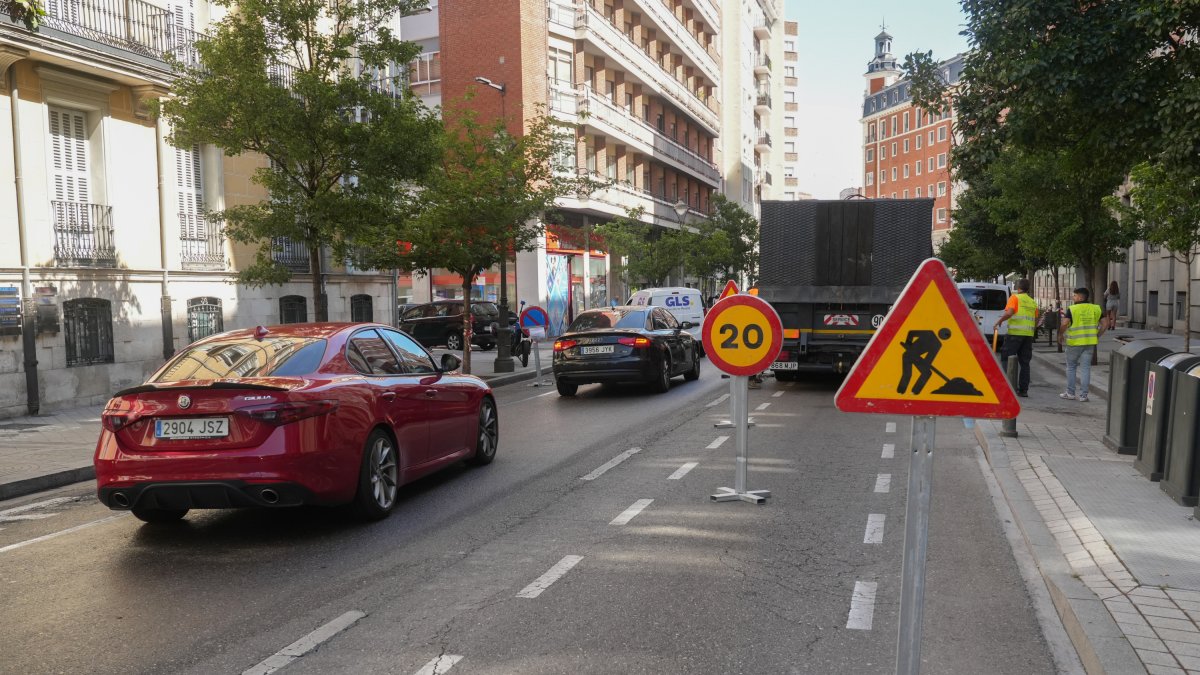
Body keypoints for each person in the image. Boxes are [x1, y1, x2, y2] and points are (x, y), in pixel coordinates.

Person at [1059, 287, 1105, 402]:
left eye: (1074, 295)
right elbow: (1105, 324)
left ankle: (1070, 393)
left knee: (1071, 367)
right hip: (1089, 343)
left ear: (1079, 297)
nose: (1073, 297)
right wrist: (1098, 335)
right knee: (1085, 368)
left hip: (1074, 343)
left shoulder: (1072, 309)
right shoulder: (1096, 308)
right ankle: (1084, 395)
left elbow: (1064, 324)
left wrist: (1060, 334)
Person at [994, 279, 1038, 397]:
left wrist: (999, 321)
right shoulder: (1032, 302)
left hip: (1014, 334)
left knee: (1006, 358)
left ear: (1018, 288)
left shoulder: (1015, 298)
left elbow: (1010, 313)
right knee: (1025, 363)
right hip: (1028, 336)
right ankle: (1023, 390)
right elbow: (1036, 319)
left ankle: (1005, 386)